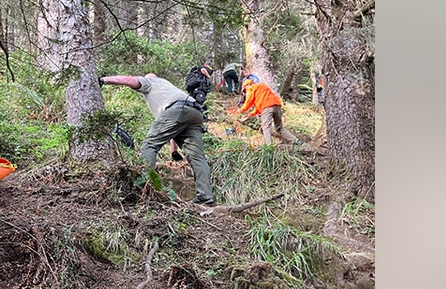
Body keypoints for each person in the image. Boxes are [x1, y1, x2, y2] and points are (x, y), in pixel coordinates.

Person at [99, 72, 215, 205]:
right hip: (195, 113)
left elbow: (128, 80)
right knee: (197, 157)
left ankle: (143, 188)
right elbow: (174, 128)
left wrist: (103, 80)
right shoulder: (167, 86)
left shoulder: (150, 82)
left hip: (177, 110)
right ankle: (205, 196)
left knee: (150, 145)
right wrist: (173, 151)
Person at [230, 77, 302, 146]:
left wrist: (241, 110)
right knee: (279, 128)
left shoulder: (252, 88)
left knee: (266, 127)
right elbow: (259, 107)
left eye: (244, 90)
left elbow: (249, 102)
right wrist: (249, 115)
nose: (245, 92)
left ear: (248, 85)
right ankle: (296, 141)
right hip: (277, 106)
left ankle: (269, 146)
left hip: (267, 108)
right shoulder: (262, 87)